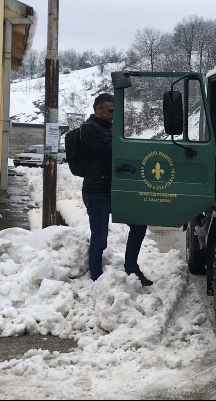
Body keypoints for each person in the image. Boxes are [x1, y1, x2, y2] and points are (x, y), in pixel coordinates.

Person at [81, 93, 153, 286]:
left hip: (114, 189)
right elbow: (110, 152)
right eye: (111, 110)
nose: (114, 114)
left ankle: (131, 267)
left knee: (138, 224)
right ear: (98, 109)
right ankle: (96, 279)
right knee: (99, 237)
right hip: (96, 191)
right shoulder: (89, 129)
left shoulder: (110, 129)